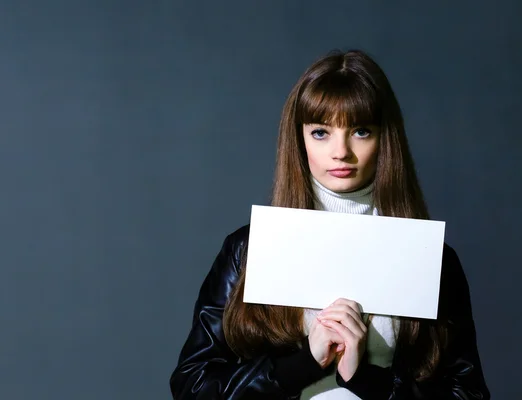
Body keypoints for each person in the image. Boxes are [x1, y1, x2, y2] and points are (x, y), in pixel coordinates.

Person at [169, 49, 490, 399]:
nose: (340, 151)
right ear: (299, 138)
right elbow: (193, 386)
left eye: (360, 131)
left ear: (385, 138)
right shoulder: (248, 250)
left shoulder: (430, 259)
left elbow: (467, 394)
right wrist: (305, 361)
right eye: (321, 132)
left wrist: (365, 379)